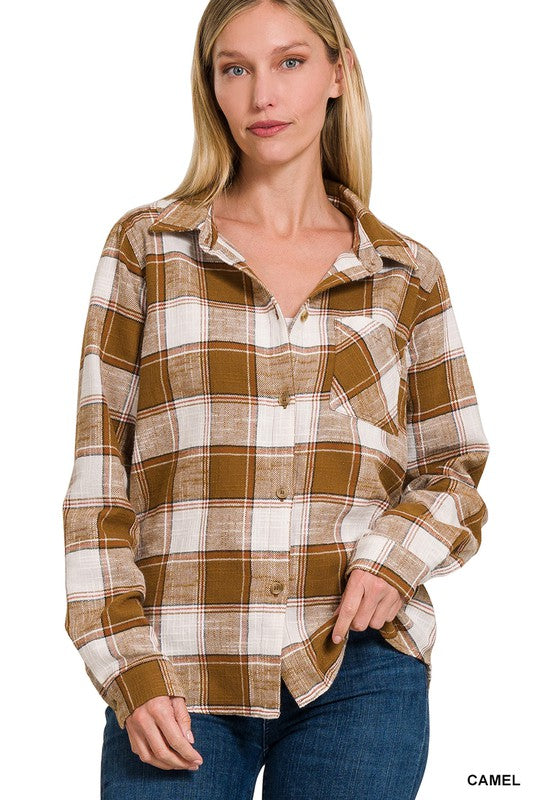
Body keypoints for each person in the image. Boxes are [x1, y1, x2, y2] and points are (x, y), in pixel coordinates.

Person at [62, 1, 490, 798]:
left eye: (290, 61)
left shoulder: (405, 273)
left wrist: (394, 557)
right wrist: (126, 664)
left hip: (357, 665)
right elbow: (98, 481)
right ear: (212, 87)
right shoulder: (148, 249)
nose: (263, 94)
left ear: (337, 72)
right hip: (179, 668)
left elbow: (453, 469)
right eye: (235, 68)